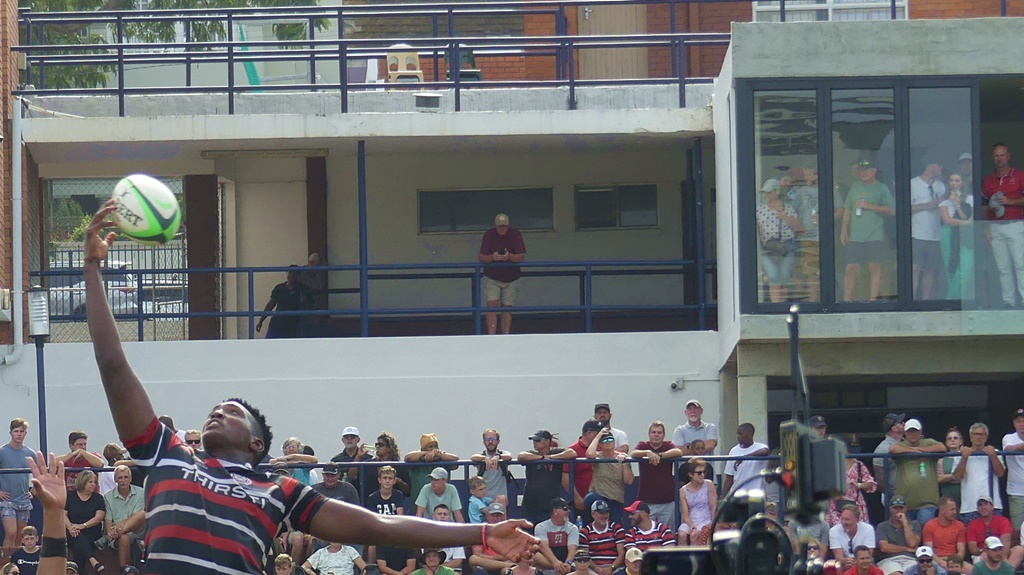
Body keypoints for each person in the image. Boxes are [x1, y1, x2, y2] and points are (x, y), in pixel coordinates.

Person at [82, 201, 539, 575]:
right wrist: (91, 269)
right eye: (215, 409)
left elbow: (380, 526)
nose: (217, 412)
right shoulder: (169, 452)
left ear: (257, 442)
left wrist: (479, 534)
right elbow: (113, 366)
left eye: (233, 411)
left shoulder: (280, 490)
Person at [841, 160, 895, 302]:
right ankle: (847, 300)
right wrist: (844, 230)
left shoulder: (881, 188)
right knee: (851, 267)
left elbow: (890, 210)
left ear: (874, 171)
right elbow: (847, 209)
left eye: (866, 170)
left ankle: (873, 300)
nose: (863, 173)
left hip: (874, 234)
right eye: (861, 170)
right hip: (855, 235)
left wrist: (870, 206)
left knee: (874, 267)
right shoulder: (854, 187)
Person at [980, 144, 1024, 308]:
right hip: (996, 227)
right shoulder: (988, 181)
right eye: (996, 155)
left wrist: (1011, 201)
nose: (999, 158)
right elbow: (984, 206)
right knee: (1003, 267)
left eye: (1002, 155)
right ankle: (1009, 302)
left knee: (1020, 265)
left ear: (1008, 156)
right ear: (993, 158)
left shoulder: (1019, 176)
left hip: (1016, 225)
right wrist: (985, 227)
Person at [478, 213, 527, 335]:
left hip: (511, 277)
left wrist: (508, 256)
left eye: (504, 226)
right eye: (499, 226)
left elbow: (521, 257)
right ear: (495, 226)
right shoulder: (489, 235)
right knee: (492, 305)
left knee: (506, 307)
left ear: (508, 226)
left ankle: (505, 336)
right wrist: (493, 257)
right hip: (492, 276)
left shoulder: (515, 234)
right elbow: (482, 257)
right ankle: (492, 336)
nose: (502, 229)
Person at [757, 178, 803, 302]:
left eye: (769, 192)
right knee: (773, 278)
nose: (766, 195)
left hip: (787, 247)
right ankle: (776, 307)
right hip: (768, 248)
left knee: (783, 279)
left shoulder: (788, 209)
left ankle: (781, 307)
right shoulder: (759, 209)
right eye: (765, 193)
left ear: (776, 192)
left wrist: (785, 217)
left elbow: (799, 229)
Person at [890, 419, 945, 524]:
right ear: (905, 433)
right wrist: (913, 451)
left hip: (927, 503)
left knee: (926, 531)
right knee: (906, 534)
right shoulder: (901, 444)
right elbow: (892, 449)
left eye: (915, 431)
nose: (913, 434)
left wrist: (922, 450)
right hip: (905, 504)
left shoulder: (927, 442)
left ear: (920, 432)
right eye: (910, 431)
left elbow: (941, 447)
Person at [630, 421, 682, 529]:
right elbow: (633, 453)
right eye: (654, 432)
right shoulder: (643, 445)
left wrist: (660, 456)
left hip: (667, 501)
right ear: (649, 434)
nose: (656, 435)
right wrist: (647, 453)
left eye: (659, 432)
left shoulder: (668, 445)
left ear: (663, 435)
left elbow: (678, 452)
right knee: (646, 533)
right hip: (646, 502)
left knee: (668, 533)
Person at [518, 431, 576, 526]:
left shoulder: (556, 452)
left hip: (551, 505)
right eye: (533, 440)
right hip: (531, 505)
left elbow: (572, 453)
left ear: (547, 441)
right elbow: (521, 456)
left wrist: (551, 458)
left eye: (537, 440)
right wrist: (542, 458)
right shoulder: (531, 453)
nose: (534, 442)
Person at [953, 423, 1005, 522]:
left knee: (993, 537)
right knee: (972, 537)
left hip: (993, 505)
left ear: (986, 437)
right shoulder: (961, 453)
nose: (978, 437)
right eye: (975, 434)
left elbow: (1001, 473)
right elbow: (957, 477)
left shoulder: (995, 452)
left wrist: (993, 456)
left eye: (981, 434)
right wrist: (964, 457)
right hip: (970, 507)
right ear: (970, 436)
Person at [910, 163, 947, 300]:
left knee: (931, 269)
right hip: (917, 233)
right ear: (930, 165)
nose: (941, 168)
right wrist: (931, 204)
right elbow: (907, 208)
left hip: (935, 234)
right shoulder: (913, 184)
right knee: (915, 267)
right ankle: (911, 299)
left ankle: (926, 301)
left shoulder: (940, 186)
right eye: (938, 165)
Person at [99, 465, 145, 570]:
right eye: (120, 478)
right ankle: (124, 570)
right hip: (117, 535)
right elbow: (108, 521)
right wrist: (114, 532)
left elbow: (136, 517)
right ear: (115, 479)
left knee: (142, 514)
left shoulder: (140, 492)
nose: (123, 480)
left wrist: (117, 528)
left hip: (137, 530)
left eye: (126, 477)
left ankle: (107, 538)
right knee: (124, 538)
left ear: (130, 478)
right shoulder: (108, 496)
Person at [584, 429, 634, 526]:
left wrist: (624, 463)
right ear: (600, 445)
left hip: (615, 499)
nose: (608, 443)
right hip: (599, 496)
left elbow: (629, 481)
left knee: (616, 527)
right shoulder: (598, 456)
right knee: (590, 498)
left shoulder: (622, 456)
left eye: (610, 440)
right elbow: (589, 454)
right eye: (604, 441)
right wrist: (598, 436)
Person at [826, 435, 877, 526]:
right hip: (838, 504)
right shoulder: (833, 464)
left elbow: (871, 484)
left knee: (859, 531)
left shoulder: (859, 465)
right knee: (840, 532)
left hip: (856, 504)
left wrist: (859, 485)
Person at [939, 173, 975, 299]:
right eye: (951, 180)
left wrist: (957, 206)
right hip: (949, 234)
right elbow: (947, 220)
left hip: (966, 235)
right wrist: (965, 223)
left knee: (965, 268)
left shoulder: (970, 199)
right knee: (951, 266)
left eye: (957, 180)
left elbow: (972, 217)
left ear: (962, 183)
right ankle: (955, 301)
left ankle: (953, 298)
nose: (954, 183)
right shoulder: (944, 201)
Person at [1, 418, 35, 549]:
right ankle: (5, 563)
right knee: (11, 532)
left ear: (25, 433)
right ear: (11, 433)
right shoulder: (2, 451)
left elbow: (39, 474)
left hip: (23, 499)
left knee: (21, 535)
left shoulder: (30, 453)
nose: (19, 434)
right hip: (7, 499)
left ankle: (16, 562)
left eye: (22, 431)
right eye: (16, 431)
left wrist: (34, 491)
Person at [63, 470, 105, 574]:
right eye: (90, 482)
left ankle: (80, 571)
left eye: (95, 482)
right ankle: (92, 560)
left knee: (78, 543)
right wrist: (70, 527)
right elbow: (62, 514)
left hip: (91, 531)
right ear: (83, 482)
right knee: (77, 537)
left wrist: (82, 526)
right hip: (71, 530)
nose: (93, 484)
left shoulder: (98, 498)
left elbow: (98, 518)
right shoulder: (70, 496)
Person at [965, 496, 1022, 568]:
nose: (983, 507)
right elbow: (972, 548)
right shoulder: (973, 525)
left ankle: (1006, 572)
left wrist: (1003, 557)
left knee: (1019, 550)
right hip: (983, 554)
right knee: (983, 558)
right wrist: (987, 552)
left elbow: (1006, 540)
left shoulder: (1002, 521)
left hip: (1002, 552)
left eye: (986, 504)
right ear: (977, 510)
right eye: (980, 505)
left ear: (992, 507)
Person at [875, 496, 922, 575]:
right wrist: (907, 549)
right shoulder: (882, 526)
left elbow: (912, 543)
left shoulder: (915, 524)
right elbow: (884, 547)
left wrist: (905, 522)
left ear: (906, 508)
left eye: (901, 508)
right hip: (889, 559)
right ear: (890, 509)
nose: (898, 511)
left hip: (910, 559)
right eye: (895, 508)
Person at [405, 434, 459, 500]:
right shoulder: (416, 460)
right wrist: (426, 453)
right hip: (420, 504)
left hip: (442, 504)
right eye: (430, 447)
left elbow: (455, 461)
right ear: (423, 448)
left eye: (436, 446)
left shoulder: (442, 459)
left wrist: (440, 455)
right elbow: (407, 458)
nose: (434, 449)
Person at [256, 266, 305, 338]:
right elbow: (270, 305)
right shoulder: (279, 288)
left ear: (298, 275)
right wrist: (261, 321)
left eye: (294, 273)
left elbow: (310, 305)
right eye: (289, 273)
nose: (291, 275)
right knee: (268, 347)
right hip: (277, 324)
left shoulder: (302, 289)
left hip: (293, 326)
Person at [677, 458, 717, 546]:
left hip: (706, 519)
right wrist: (691, 525)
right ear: (691, 474)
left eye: (704, 472)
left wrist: (714, 523)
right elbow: (685, 514)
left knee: (694, 535)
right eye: (699, 473)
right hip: (691, 519)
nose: (702, 475)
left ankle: (695, 558)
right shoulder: (683, 491)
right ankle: (683, 558)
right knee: (681, 534)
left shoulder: (709, 485)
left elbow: (713, 507)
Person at [533, 498, 578, 575]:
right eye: (565, 509)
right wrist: (555, 563)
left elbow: (572, 549)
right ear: (555, 511)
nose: (568, 511)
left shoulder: (572, 528)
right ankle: (561, 569)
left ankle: (562, 568)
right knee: (536, 556)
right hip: (548, 563)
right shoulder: (541, 527)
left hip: (566, 562)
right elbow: (544, 547)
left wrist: (568, 563)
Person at [722, 423, 770, 496]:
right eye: (737, 434)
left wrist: (744, 458)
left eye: (740, 434)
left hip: (755, 494)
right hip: (737, 494)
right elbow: (729, 477)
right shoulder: (733, 450)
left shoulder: (760, 447)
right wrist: (723, 496)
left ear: (750, 434)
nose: (738, 436)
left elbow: (765, 451)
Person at [564, 422, 599, 520]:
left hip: (601, 499)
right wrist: (576, 497)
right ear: (589, 433)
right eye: (598, 433)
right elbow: (565, 476)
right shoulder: (573, 449)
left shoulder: (600, 448)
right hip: (582, 500)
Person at [922, 497, 968, 573]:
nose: (955, 512)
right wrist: (942, 563)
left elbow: (961, 551)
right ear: (942, 510)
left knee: (973, 570)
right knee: (930, 570)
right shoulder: (929, 525)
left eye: (955, 509)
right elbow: (929, 551)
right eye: (952, 509)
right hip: (936, 560)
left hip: (954, 559)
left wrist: (954, 564)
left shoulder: (960, 525)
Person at [469, 503, 516, 575]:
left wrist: (492, 558)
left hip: (504, 565)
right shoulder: (479, 531)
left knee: (508, 570)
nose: (495, 519)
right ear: (487, 516)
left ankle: (507, 565)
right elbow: (477, 554)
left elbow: (512, 555)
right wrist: (498, 558)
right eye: (492, 515)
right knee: (473, 559)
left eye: (498, 516)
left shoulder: (510, 532)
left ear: (503, 517)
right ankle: (507, 565)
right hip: (485, 565)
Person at [580, 500, 624, 575]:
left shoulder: (617, 528)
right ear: (593, 514)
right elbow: (585, 556)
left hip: (615, 568)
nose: (604, 516)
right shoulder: (585, 532)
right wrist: (597, 569)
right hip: (593, 569)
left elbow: (622, 553)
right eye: (601, 513)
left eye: (606, 512)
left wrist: (611, 568)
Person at [470, 429, 512, 507]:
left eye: (493, 439)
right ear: (484, 442)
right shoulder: (481, 455)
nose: (490, 442)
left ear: (498, 441)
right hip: (483, 501)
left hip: (500, 500)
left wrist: (498, 457)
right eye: (487, 439)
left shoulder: (503, 454)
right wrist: (485, 458)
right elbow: (473, 457)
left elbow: (509, 456)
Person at [330, 426, 374, 502]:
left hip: (365, 498)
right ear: (342, 440)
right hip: (344, 499)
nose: (349, 439)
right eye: (346, 437)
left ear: (358, 439)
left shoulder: (369, 458)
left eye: (352, 437)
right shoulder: (336, 460)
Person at [829, 505, 876, 571]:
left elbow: (869, 554)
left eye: (847, 519)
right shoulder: (834, 531)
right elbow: (838, 556)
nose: (843, 522)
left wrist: (856, 563)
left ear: (857, 519)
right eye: (842, 519)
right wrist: (846, 561)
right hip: (844, 563)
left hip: (864, 561)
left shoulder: (868, 529)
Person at [874, 413, 906, 502]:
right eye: (900, 422)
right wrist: (892, 495)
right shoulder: (882, 449)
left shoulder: (907, 443)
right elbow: (880, 479)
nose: (904, 423)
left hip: (910, 494)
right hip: (895, 498)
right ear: (894, 428)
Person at [369, 432, 412, 497]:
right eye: (376, 444)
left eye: (381, 445)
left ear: (389, 448)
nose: (377, 447)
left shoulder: (399, 466)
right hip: (373, 500)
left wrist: (399, 482)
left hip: (394, 501)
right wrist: (359, 456)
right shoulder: (370, 464)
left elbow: (408, 490)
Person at [1001, 409, 1024, 531]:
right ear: (1014, 424)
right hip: (1017, 492)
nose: (1022, 424)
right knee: (1017, 529)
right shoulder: (1009, 437)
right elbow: (1008, 450)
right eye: (1018, 421)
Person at [429, 506, 468, 571]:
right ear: (433, 518)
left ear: (450, 518)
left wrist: (438, 568)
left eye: (445, 514)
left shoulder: (457, 537)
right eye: (439, 514)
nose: (442, 516)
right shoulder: (427, 536)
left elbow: (457, 562)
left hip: (451, 570)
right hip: (430, 570)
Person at [937, 428, 963, 511]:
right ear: (946, 442)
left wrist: (947, 478)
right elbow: (939, 479)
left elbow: (966, 478)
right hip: (946, 499)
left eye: (955, 438)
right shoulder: (941, 460)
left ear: (961, 441)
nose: (952, 440)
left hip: (964, 499)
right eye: (949, 438)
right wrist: (957, 476)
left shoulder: (965, 459)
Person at [301, 541, 365, 575]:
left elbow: (365, 568)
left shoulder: (350, 550)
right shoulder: (320, 553)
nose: (335, 539)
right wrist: (311, 573)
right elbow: (303, 567)